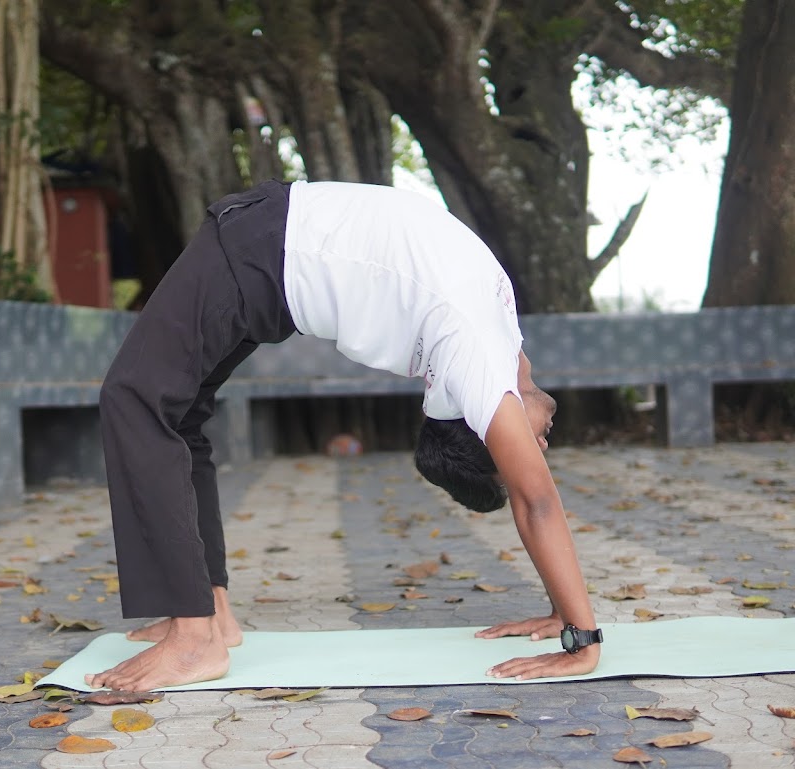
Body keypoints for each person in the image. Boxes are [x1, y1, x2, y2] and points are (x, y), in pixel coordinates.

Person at [85, 179, 600, 693]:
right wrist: (563, 613)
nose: (540, 451)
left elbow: (536, 503)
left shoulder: (479, 369)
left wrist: (581, 636)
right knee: (175, 413)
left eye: (520, 449)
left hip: (263, 247)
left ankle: (194, 636)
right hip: (274, 253)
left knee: (134, 398)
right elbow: (532, 494)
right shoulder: (495, 343)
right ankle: (210, 612)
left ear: (483, 429)